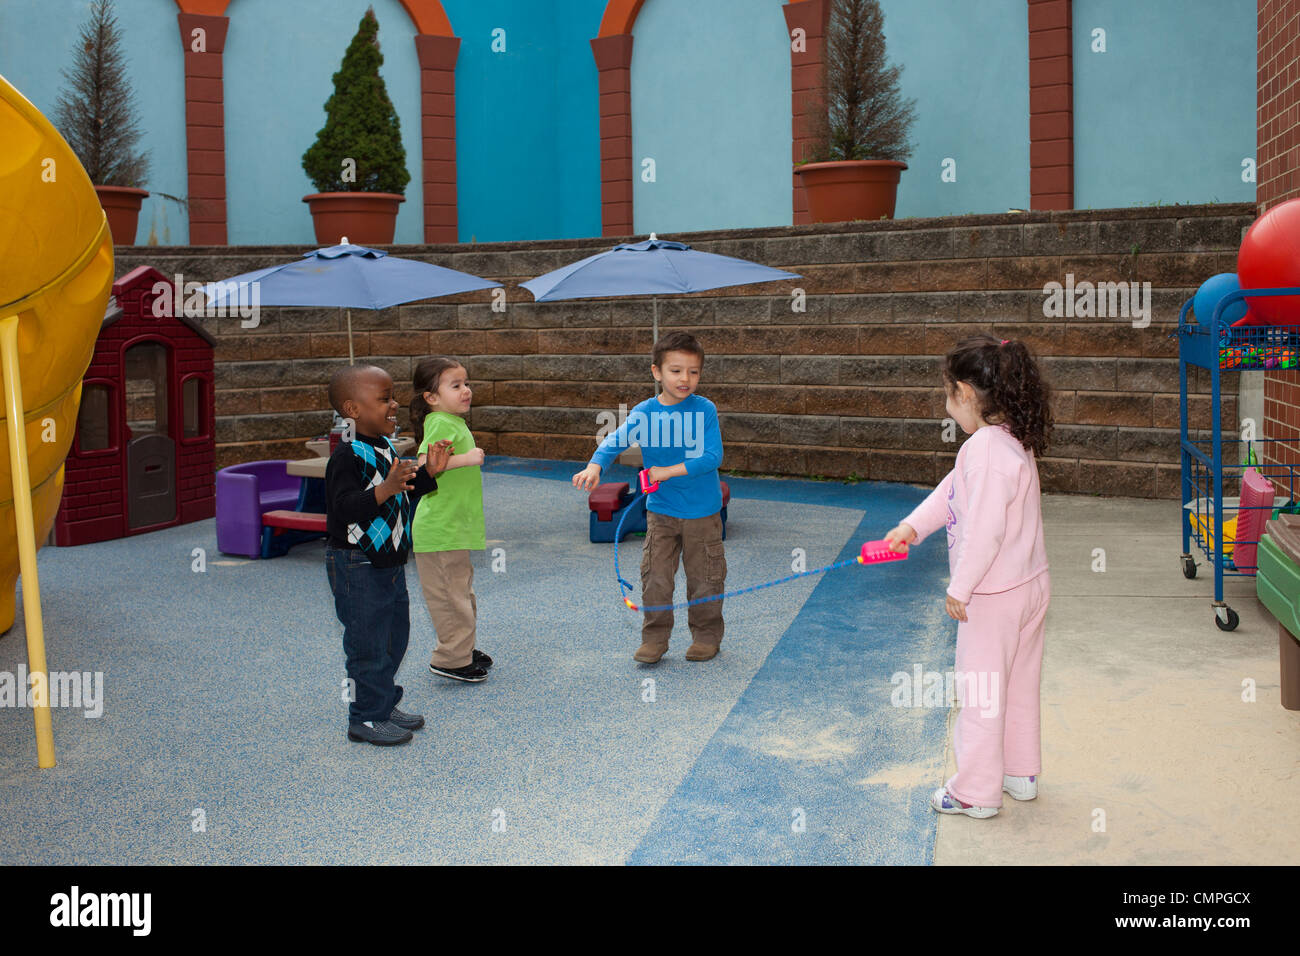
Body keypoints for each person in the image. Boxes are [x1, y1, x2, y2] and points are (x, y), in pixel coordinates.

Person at [883, 335, 1053, 818]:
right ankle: (1019, 773)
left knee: (979, 691)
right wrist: (913, 526)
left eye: (946, 393)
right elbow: (954, 491)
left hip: (993, 595)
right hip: (1029, 587)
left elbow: (984, 531)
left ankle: (975, 791)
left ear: (964, 392)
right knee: (1018, 683)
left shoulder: (983, 450)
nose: (945, 402)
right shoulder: (1010, 438)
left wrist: (961, 588)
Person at [573, 331, 726, 663]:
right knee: (656, 578)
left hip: (702, 513)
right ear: (656, 372)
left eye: (693, 371)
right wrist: (595, 465)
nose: (685, 378)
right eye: (675, 370)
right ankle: (655, 639)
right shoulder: (645, 412)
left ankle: (706, 636)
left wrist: (667, 471)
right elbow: (615, 440)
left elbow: (712, 457)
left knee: (705, 579)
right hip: (661, 512)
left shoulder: (704, 410)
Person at [325, 364, 451, 746]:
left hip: (389, 562)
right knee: (367, 643)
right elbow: (342, 509)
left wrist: (429, 473)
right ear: (353, 409)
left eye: (392, 395)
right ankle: (364, 718)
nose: (394, 404)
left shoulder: (383, 445)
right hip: (357, 564)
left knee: (394, 637)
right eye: (384, 399)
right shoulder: (346, 456)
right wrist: (386, 488)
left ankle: (382, 702)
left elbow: (403, 490)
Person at [410, 357, 494, 683]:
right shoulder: (440, 423)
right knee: (449, 595)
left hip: (453, 526)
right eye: (455, 385)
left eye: (466, 383)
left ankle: (463, 647)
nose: (466, 390)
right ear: (431, 397)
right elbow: (424, 465)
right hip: (439, 528)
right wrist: (466, 458)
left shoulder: (452, 422)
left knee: (460, 591)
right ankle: (450, 658)